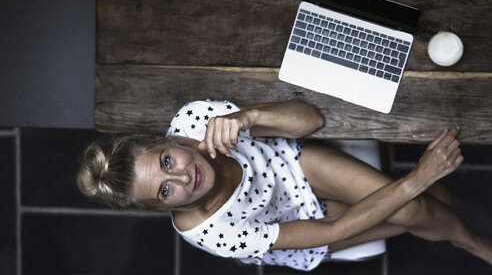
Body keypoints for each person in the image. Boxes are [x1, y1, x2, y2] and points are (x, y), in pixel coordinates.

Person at [77, 99, 492, 271]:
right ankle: (471, 241)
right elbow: (330, 232)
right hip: (300, 224)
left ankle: (456, 231)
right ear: (161, 208)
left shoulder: (196, 119)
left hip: (294, 167)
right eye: (165, 191)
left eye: (167, 161)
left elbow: (310, 120)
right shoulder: (215, 233)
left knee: (431, 203)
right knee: (427, 202)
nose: (183, 176)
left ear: (165, 140)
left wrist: (248, 117)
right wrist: (416, 177)